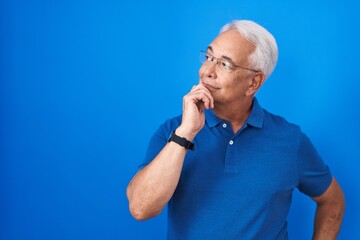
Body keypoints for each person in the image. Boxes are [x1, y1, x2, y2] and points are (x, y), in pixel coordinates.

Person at [126, 20, 345, 239]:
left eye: (225, 64)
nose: (207, 71)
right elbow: (141, 209)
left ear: (253, 83)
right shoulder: (173, 131)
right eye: (209, 57)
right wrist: (186, 133)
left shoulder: (290, 140)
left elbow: (332, 200)